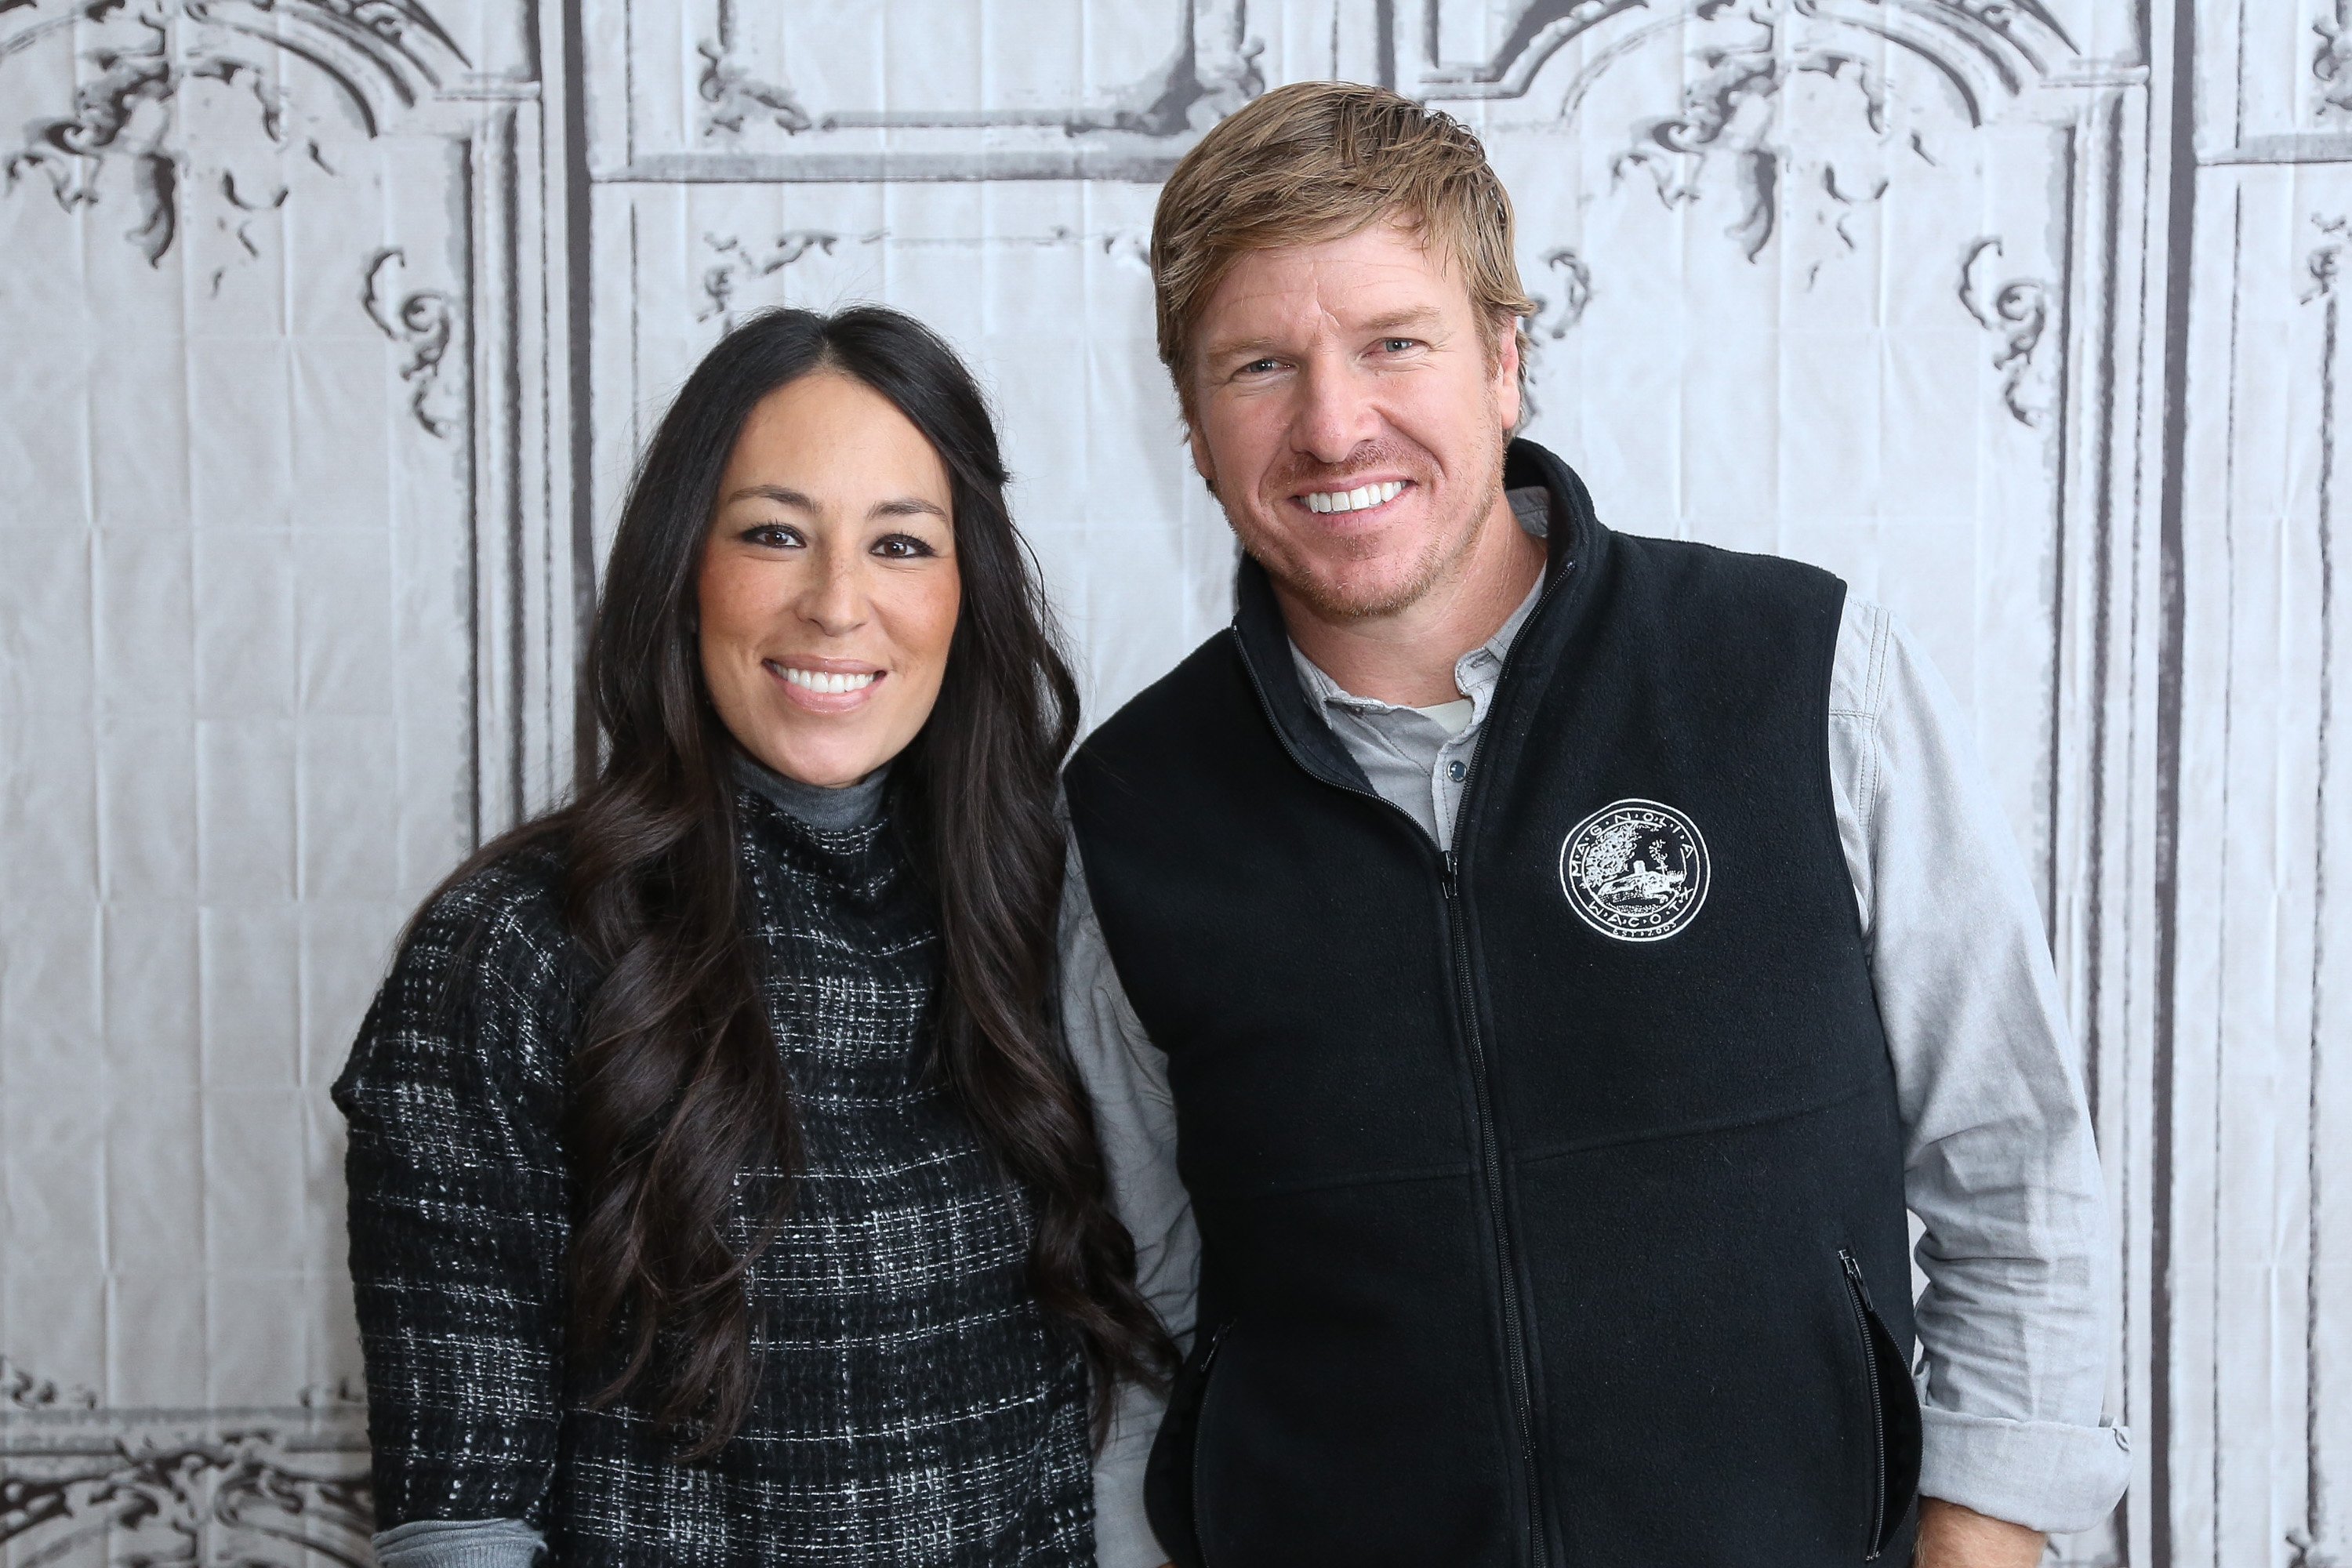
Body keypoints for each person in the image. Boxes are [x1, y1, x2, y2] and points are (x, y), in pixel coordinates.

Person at [1062, 82, 2132, 1567]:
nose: (1331, 421)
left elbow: (2012, 1165)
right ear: (1189, 424)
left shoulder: (1802, 675)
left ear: (1507, 360)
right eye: (1259, 364)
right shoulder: (1131, 812)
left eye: (1394, 342)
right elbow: (1139, 1320)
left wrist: (1981, 1535)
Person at [335, 306, 1171, 1566]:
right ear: (684, 571)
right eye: (775, 534)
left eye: (901, 543)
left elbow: (1136, 1356)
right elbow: (464, 1507)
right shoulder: (511, 948)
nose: (838, 605)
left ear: (964, 591)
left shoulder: (1051, 900)